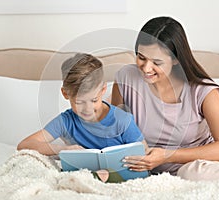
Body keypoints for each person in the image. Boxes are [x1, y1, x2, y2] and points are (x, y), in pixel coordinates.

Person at [112, 16, 219, 181]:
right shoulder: (125, 78)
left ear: (176, 59)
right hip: (163, 174)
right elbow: (116, 132)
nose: (146, 68)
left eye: (156, 62)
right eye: (141, 57)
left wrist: (166, 156)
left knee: (191, 172)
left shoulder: (202, 90)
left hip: (217, 165)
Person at [17, 53, 148, 183]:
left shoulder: (122, 120)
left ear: (103, 90)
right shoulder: (66, 121)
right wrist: (62, 150)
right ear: (65, 93)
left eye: (94, 100)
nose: (87, 109)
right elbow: (25, 145)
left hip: (122, 176)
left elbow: (144, 152)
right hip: (81, 176)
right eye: (79, 103)